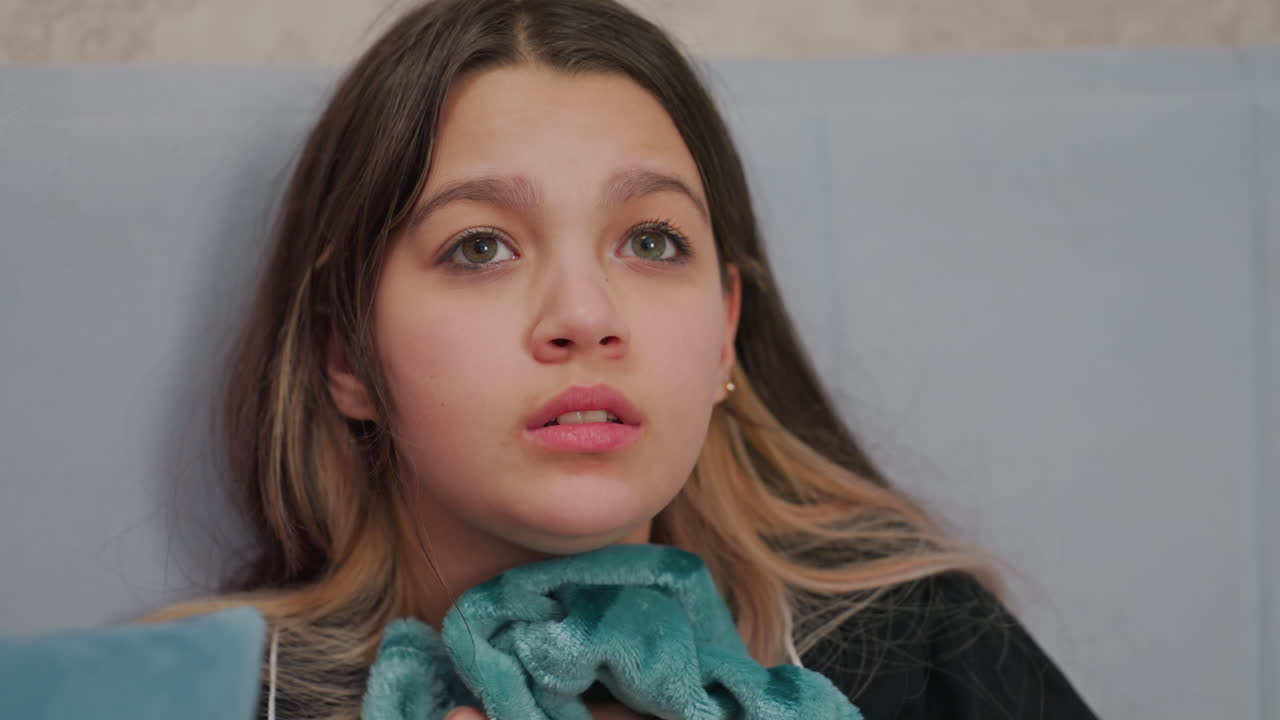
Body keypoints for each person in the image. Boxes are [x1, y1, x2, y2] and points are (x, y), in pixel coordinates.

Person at [148, 1, 1100, 718]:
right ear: (344, 350)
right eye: (480, 246)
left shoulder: (928, 647)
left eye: (651, 241)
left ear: (724, 329)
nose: (585, 316)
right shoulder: (191, 696)